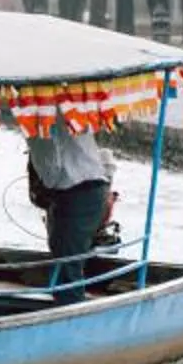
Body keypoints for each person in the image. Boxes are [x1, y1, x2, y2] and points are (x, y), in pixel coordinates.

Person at [27, 115, 115, 298]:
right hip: (96, 190)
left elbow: (51, 174)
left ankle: (70, 309)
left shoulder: (39, 121)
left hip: (77, 195)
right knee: (71, 263)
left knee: (66, 272)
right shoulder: (69, 110)